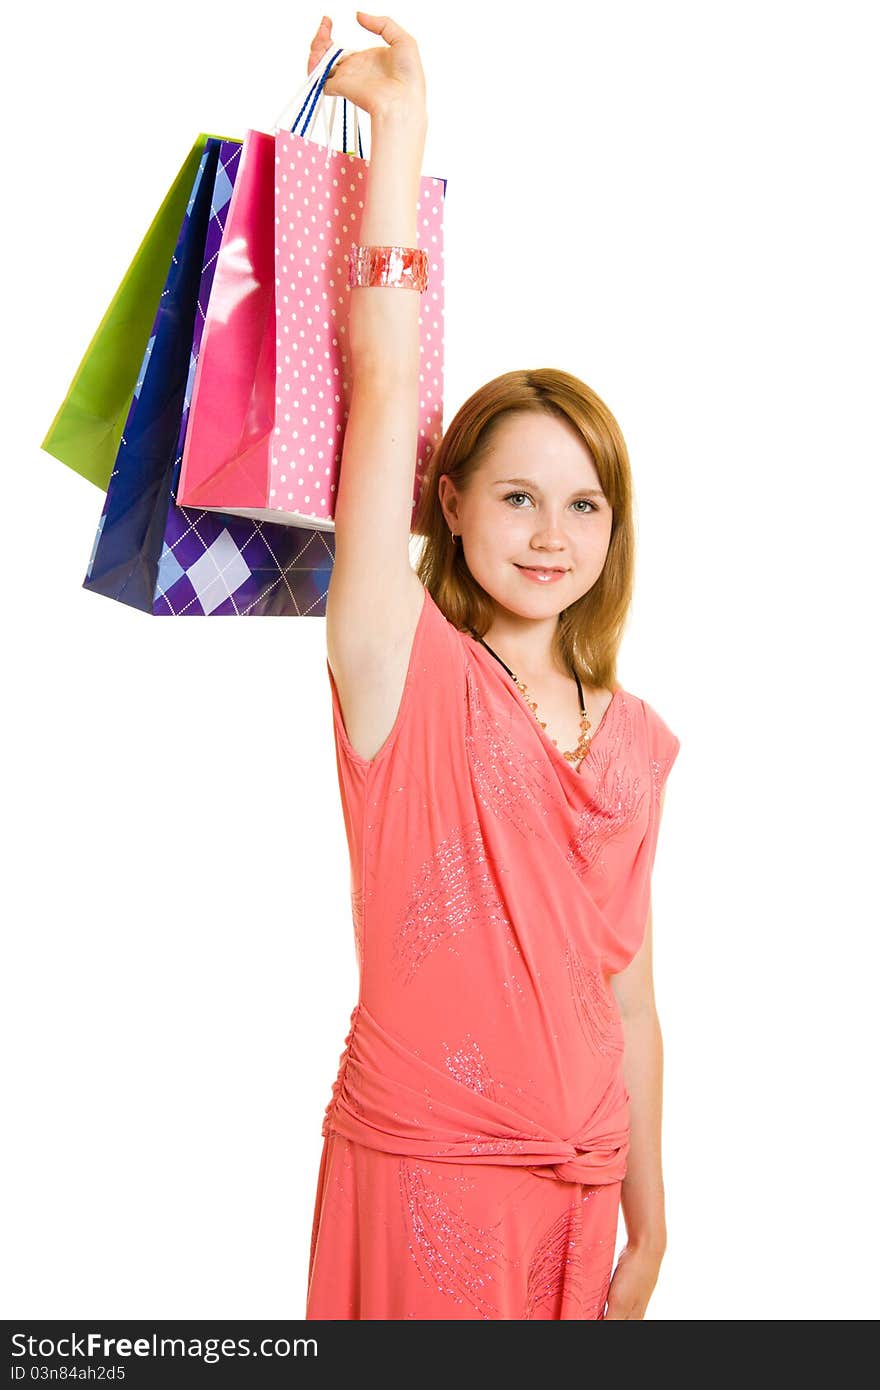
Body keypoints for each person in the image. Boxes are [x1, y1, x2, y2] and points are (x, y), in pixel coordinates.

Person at [305, 12, 682, 1321]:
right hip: (425, 1179)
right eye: (519, 495)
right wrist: (402, 141)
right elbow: (384, 370)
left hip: (583, 1193)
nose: (552, 532)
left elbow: (626, 994)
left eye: (586, 506)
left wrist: (652, 1216)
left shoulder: (637, 741)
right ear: (448, 502)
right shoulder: (396, 663)